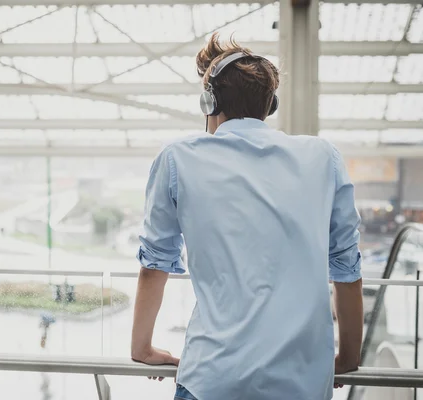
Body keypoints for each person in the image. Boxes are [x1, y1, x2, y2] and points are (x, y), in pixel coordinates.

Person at [130, 33, 364, 400]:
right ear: (269, 105)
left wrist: (142, 348)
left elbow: (154, 265)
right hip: (302, 383)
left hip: (212, 378)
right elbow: (347, 268)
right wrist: (348, 356)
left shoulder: (178, 158)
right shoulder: (323, 157)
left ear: (210, 101)